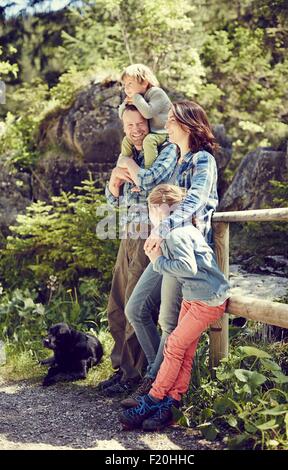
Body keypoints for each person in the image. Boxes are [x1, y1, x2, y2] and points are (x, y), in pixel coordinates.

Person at [121, 100, 221, 408]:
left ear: (189, 125)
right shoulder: (177, 161)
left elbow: (195, 201)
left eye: (174, 120)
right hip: (164, 248)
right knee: (135, 309)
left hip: (184, 250)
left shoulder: (202, 160)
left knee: (167, 320)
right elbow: (158, 198)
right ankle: (155, 373)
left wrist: (161, 230)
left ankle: (156, 386)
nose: (168, 124)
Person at [119, 183, 230, 431]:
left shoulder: (176, 233)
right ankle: (171, 404)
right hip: (194, 297)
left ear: (158, 209)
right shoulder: (180, 229)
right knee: (184, 352)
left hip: (207, 300)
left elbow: (187, 268)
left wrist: (157, 261)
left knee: (174, 345)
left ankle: (152, 399)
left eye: (150, 209)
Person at [98, 104, 178, 397]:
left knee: (136, 304)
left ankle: (136, 375)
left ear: (150, 121)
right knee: (116, 304)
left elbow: (153, 185)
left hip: (149, 234)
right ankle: (121, 368)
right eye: (129, 125)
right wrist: (113, 180)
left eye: (140, 123)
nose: (135, 130)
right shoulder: (132, 154)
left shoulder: (167, 150)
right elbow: (113, 200)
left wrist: (126, 172)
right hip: (128, 233)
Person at [118, 63, 171, 170]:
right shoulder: (139, 98)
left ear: (144, 83)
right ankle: (123, 166)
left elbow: (148, 113)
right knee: (126, 140)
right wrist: (125, 104)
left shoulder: (157, 93)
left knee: (148, 141)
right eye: (124, 85)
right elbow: (122, 115)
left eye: (130, 84)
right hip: (152, 132)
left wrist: (136, 98)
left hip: (164, 131)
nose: (126, 88)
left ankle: (148, 170)